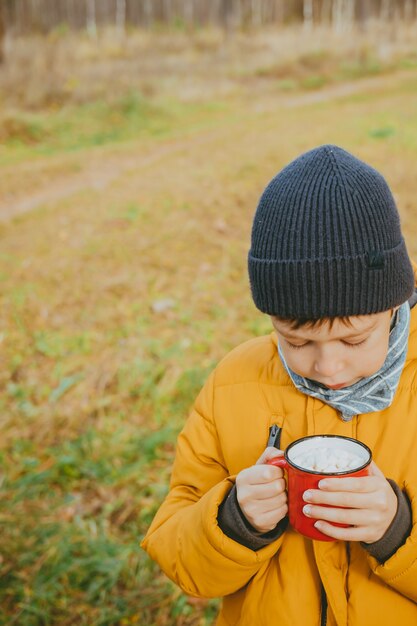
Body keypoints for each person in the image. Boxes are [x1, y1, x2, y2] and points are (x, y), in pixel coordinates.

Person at [141, 145, 417, 625]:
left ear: (396, 305)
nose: (329, 368)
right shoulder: (234, 383)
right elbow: (177, 553)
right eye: (297, 341)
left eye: (354, 339)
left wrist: (398, 531)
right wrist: (233, 521)